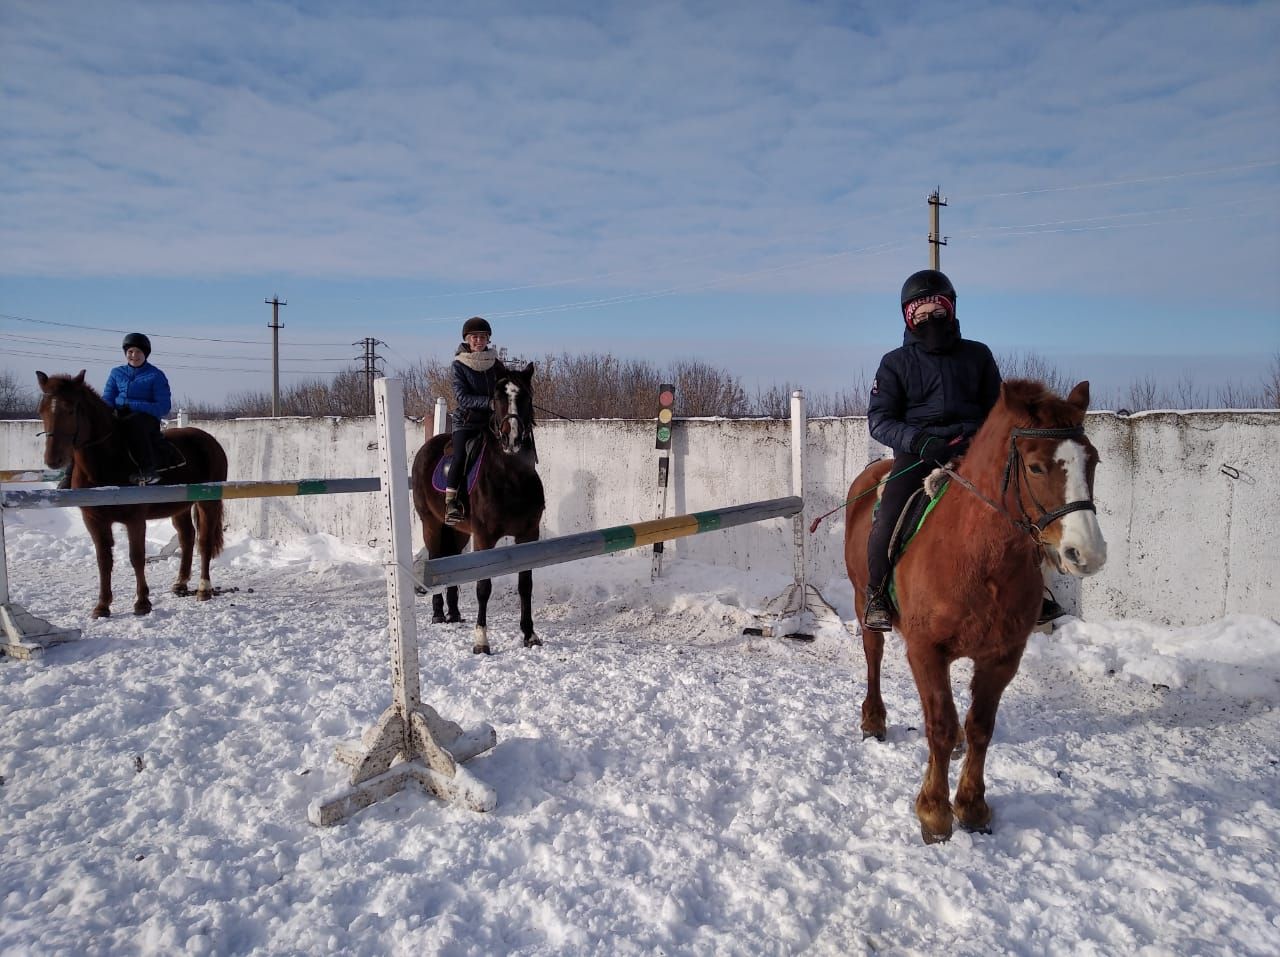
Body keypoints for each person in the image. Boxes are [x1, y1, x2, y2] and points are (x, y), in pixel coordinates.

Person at [862, 269, 1003, 632]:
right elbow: (879, 420)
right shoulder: (895, 363)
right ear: (909, 318)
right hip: (919, 454)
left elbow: (998, 410)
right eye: (920, 315)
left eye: (936, 312)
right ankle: (877, 594)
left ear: (950, 310)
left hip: (973, 452)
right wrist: (918, 441)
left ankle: (1031, 591)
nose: (930, 321)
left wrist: (983, 442)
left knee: (1017, 507)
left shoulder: (978, 355)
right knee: (887, 519)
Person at [444, 316, 499, 525]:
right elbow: (462, 397)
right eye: (474, 337)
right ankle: (452, 503)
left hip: (491, 421)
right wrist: (490, 403)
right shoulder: (459, 365)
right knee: (460, 456)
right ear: (467, 339)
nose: (478, 340)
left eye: (483, 337)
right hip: (466, 421)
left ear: (488, 340)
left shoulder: (495, 363)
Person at [102, 332, 172, 485]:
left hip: (145, 420)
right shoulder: (116, 373)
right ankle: (70, 474)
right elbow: (107, 398)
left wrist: (132, 404)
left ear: (145, 354)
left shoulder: (156, 375)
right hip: (120, 415)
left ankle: (147, 470)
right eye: (130, 352)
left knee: (134, 423)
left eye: (139, 351)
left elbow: (164, 407)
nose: (134, 355)